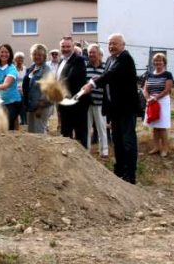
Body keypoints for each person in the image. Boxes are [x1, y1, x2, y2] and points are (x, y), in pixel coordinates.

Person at [81, 33, 140, 184]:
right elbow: (106, 75)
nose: (112, 46)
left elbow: (111, 75)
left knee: (128, 141)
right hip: (115, 109)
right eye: (109, 44)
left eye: (115, 43)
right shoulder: (110, 59)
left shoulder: (125, 58)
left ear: (123, 45)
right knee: (118, 140)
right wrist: (95, 80)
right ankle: (119, 170)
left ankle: (130, 174)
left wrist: (92, 84)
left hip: (126, 108)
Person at [57, 36, 89, 147]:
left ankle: (83, 161)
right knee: (66, 134)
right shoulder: (61, 60)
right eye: (63, 46)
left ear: (73, 47)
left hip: (77, 104)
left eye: (68, 46)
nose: (65, 49)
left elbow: (72, 78)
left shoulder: (79, 60)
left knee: (80, 135)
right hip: (64, 103)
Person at [143, 53, 174, 157]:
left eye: (160, 60)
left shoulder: (167, 74)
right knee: (155, 126)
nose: (158, 62)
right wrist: (148, 99)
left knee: (162, 126)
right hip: (151, 101)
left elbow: (167, 89)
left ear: (164, 62)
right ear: (153, 62)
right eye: (156, 61)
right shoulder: (149, 74)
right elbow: (145, 89)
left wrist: (156, 98)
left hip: (162, 101)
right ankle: (156, 147)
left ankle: (165, 148)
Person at [22, 44, 53, 133]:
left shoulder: (46, 69)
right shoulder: (32, 67)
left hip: (41, 106)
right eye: (34, 54)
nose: (37, 57)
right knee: (31, 132)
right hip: (31, 105)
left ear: (44, 56)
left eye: (39, 55)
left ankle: (43, 147)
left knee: (39, 132)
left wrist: (40, 107)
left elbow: (47, 90)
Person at [86, 44, 108, 158]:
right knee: (86, 128)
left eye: (93, 52)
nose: (91, 55)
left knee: (101, 128)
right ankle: (86, 150)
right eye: (89, 52)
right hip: (87, 103)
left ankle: (104, 151)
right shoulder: (85, 66)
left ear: (99, 54)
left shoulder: (105, 67)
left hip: (100, 102)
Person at [14, 51, 27, 126]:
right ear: (15, 59)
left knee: (23, 99)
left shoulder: (26, 69)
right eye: (18, 58)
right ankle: (22, 120)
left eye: (21, 58)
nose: (20, 60)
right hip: (15, 90)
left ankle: (24, 120)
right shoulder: (13, 69)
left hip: (23, 90)